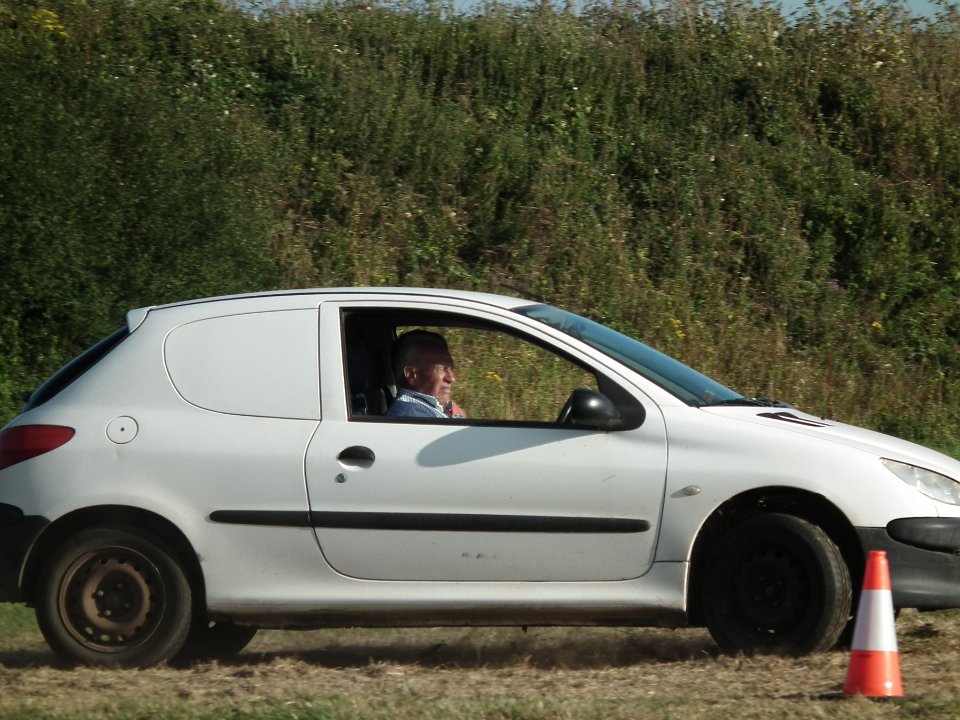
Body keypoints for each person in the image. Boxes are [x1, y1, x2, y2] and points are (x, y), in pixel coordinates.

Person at [386, 330, 465, 419]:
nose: (451, 378)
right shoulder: (415, 416)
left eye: (451, 369)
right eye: (442, 370)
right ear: (411, 375)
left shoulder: (425, 410)